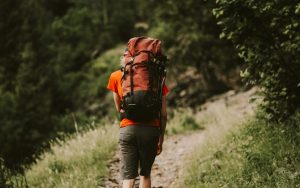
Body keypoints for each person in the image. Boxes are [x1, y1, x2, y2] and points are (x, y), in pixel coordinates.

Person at [107, 66, 168, 188]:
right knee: (145, 175)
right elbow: (163, 114)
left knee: (128, 176)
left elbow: (119, 109)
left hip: (128, 129)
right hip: (150, 130)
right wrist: (161, 139)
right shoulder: (156, 76)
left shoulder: (116, 76)